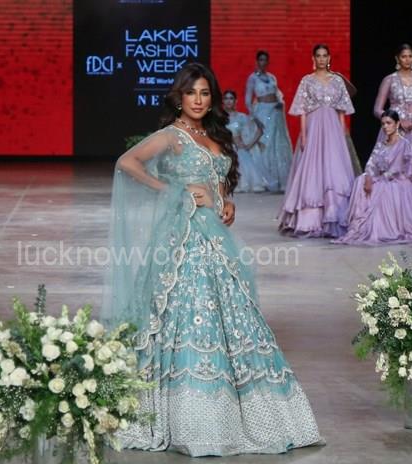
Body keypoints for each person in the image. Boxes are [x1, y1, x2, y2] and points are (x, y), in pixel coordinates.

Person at [106, 63, 321, 456]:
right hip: (183, 240)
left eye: (205, 93)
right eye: (192, 93)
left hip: (217, 238)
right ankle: (191, 419)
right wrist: (172, 190)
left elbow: (218, 181)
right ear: (179, 98)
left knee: (235, 316)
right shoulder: (172, 135)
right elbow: (127, 163)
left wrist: (225, 201)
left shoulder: (215, 135)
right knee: (192, 315)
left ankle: (245, 416)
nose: (199, 100)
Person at [278, 44, 355, 238]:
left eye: (325, 55)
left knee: (334, 169)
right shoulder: (307, 80)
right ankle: (310, 220)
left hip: (333, 129)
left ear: (329, 58)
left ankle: (334, 216)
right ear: (313, 58)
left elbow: (342, 110)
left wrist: (342, 133)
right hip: (313, 128)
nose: (322, 59)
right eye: (318, 56)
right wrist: (304, 136)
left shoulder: (337, 81)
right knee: (312, 169)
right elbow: (302, 110)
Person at [335, 111, 412, 245]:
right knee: (360, 180)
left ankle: (381, 229)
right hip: (383, 179)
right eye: (383, 124)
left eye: (388, 123)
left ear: (397, 124)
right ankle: (362, 227)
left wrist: (380, 178)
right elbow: (371, 164)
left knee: (383, 188)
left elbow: (405, 168)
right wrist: (369, 176)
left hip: (398, 182)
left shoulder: (404, 144)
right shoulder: (381, 144)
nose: (385, 126)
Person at [373, 44, 412, 231]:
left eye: (410, 56)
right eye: (403, 56)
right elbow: (377, 109)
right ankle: (395, 221)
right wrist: (396, 121)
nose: (407, 60)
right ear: (397, 59)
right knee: (395, 174)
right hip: (396, 134)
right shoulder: (389, 80)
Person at [244, 51, 293, 192]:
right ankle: (266, 180)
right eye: (260, 59)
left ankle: (280, 180)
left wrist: (280, 103)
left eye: (265, 60)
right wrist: (254, 118)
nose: (263, 62)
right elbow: (248, 101)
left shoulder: (272, 77)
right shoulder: (253, 78)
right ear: (257, 61)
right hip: (262, 112)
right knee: (265, 143)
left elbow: (278, 94)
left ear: (268, 62)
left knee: (277, 144)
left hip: (275, 113)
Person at [223, 89, 267, 192]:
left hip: (238, 149)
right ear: (223, 101)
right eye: (226, 98)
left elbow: (259, 131)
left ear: (235, 101)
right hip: (223, 149)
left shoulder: (242, 117)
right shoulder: (219, 118)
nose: (228, 101)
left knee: (241, 158)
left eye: (231, 98)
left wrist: (249, 145)